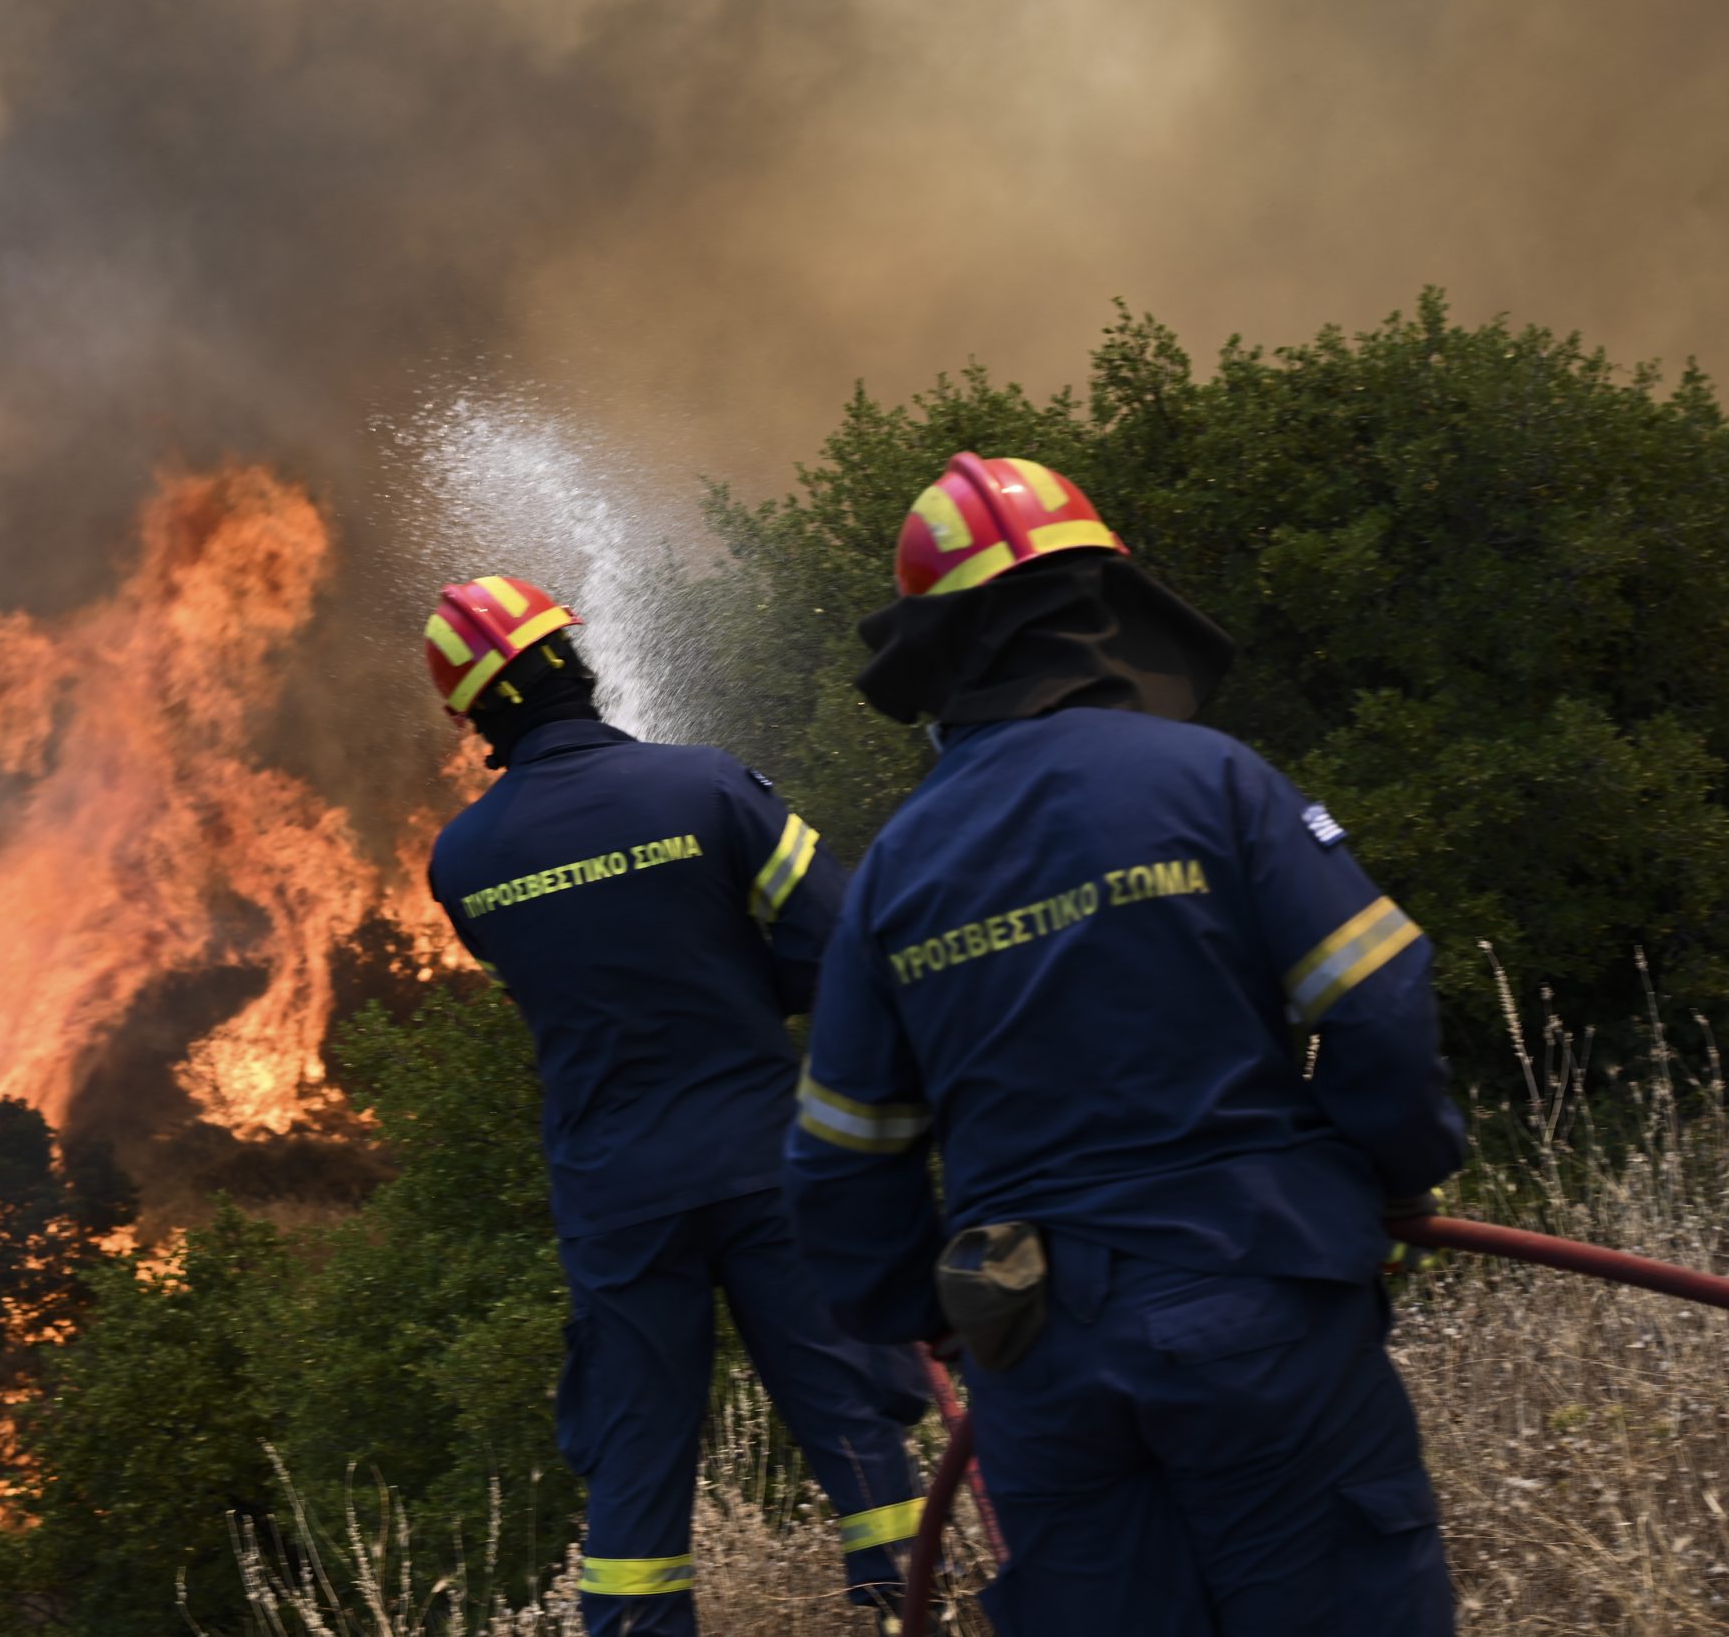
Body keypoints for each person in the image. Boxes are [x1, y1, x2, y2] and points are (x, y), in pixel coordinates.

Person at [783, 453, 1469, 1636]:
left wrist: (933, 1316)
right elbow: (1375, 1000)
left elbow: (839, 1154)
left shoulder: (896, 868)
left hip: (1041, 1360)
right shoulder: (1212, 778)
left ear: (938, 649)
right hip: (1261, 1296)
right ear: (1101, 604)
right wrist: (1395, 1178)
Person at [421, 575, 930, 1634]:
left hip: (616, 1195)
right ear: (573, 663)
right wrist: (740, 988)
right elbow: (839, 946)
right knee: (854, 1423)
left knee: (634, 1463)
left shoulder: (462, 860)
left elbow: (559, 989)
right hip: (762, 1159)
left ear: (474, 716)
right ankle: (915, 1610)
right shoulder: (705, 786)